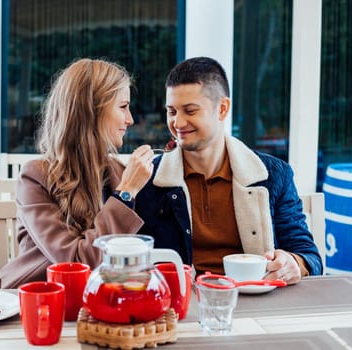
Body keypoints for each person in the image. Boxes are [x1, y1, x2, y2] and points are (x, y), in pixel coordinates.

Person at [136, 56, 323, 285]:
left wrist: (293, 263)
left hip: (257, 301)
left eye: (190, 111)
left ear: (222, 108)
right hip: (183, 305)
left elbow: (309, 256)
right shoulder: (148, 179)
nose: (178, 123)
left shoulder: (274, 174)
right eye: (172, 111)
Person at [0, 58, 154, 289]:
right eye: (123, 106)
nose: (130, 119)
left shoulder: (118, 172)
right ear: (92, 111)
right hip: (32, 303)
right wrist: (125, 194)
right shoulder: (35, 178)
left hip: (96, 301)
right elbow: (77, 264)